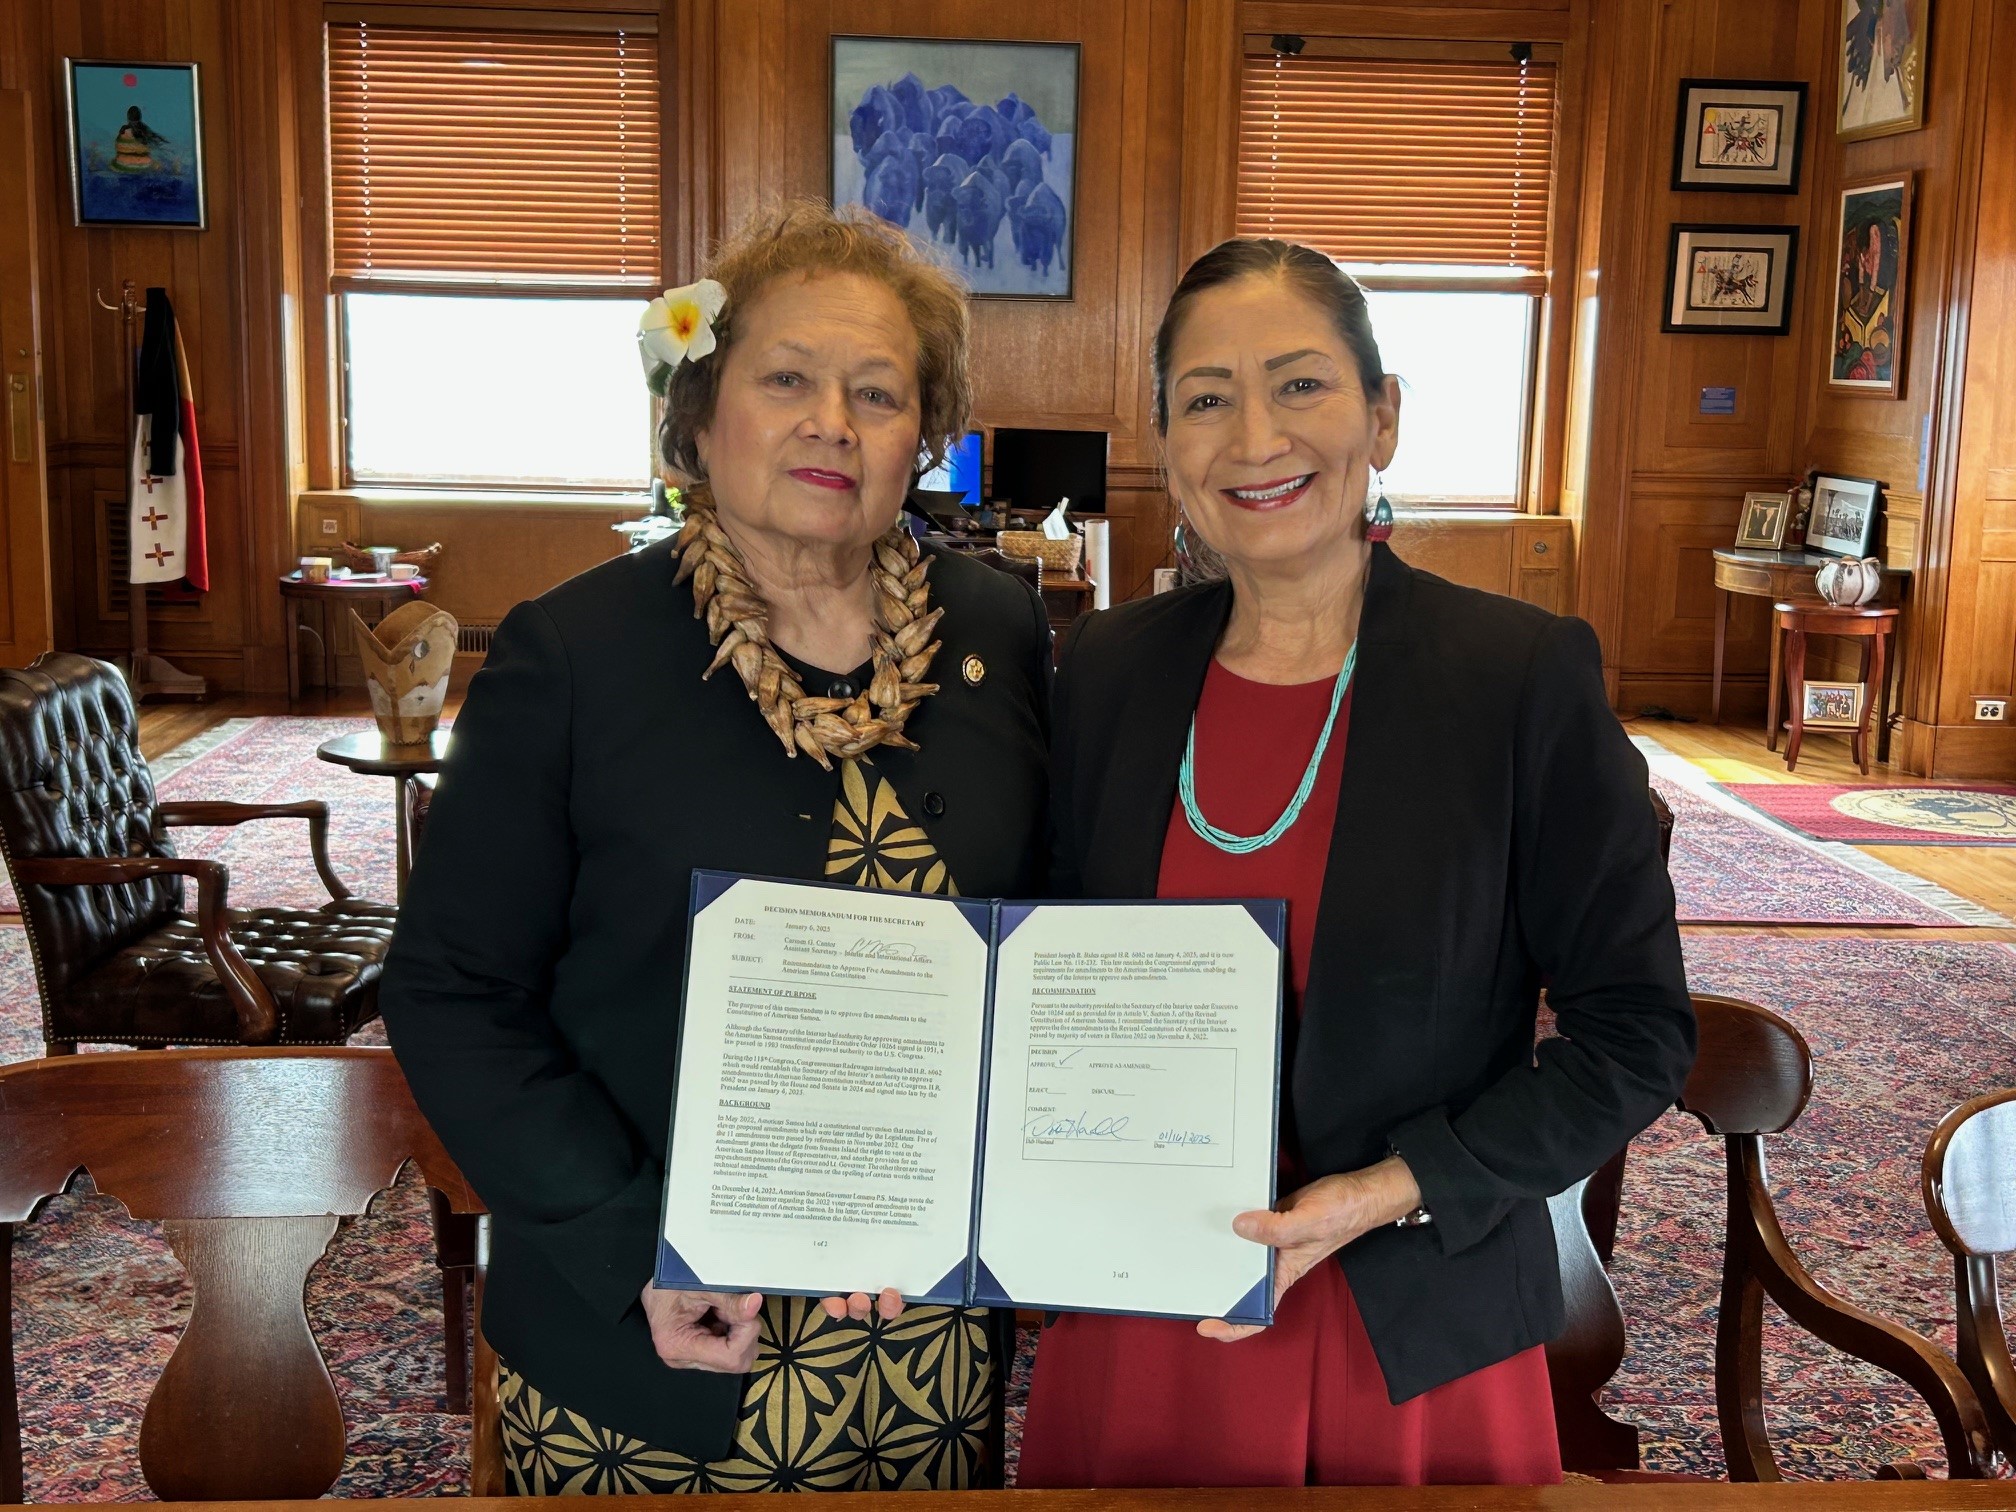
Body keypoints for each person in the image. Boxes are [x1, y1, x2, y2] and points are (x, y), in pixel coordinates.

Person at [380, 203, 1050, 1494]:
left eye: (878, 393)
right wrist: (633, 1243)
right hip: (650, 1340)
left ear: (924, 438)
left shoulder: (997, 630)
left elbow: (1040, 939)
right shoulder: (573, 653)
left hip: (923, 1336)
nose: (832, 423)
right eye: (786, 379)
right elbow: (453, 987)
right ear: (698, 416)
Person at [1016, 237, 1695, 1487]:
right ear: (1166, 443)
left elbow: (1637, 1036)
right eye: (1206, 399)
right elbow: (1038, 974)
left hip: (1408, 1315)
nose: (1255, 437)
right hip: (1144, 1297)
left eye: (1301, 384)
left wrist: (1387, 1189)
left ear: (1382, 416)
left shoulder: (1516, 677)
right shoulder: (1104, 670)